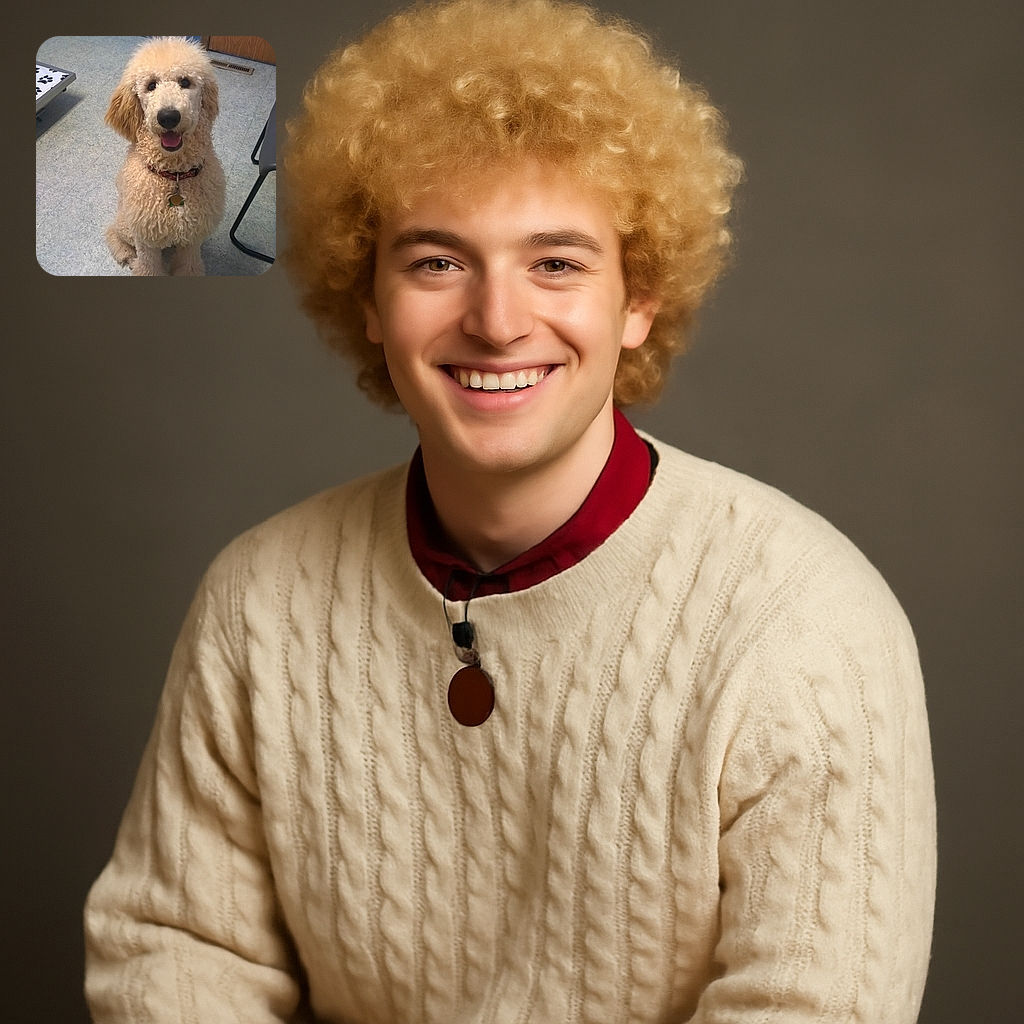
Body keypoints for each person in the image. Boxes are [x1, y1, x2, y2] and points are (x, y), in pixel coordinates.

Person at [84, 1, 936, 1021]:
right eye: (436, 261)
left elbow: (811, 1004)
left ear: (638, 299)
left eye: (557, 263)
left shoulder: (808, 621)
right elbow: (175, 950)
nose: (494, 321)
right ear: (368, 297)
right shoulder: (258, 601)